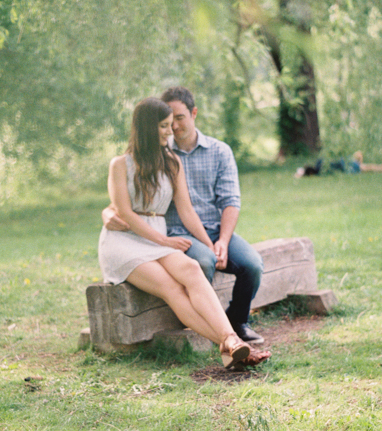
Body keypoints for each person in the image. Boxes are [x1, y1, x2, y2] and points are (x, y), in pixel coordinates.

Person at [98, 97, 269, 369]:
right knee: (172, 288)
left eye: (171, 124)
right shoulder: (120, 164)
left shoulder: (171, 162)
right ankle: (231, 342)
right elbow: (126, 214)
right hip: (126, 243)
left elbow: (187, 212)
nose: (170, 131)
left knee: (190, 269)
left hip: (156, 237)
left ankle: (231, 343)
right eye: (164, 126)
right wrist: (164, 241)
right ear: (146, 128)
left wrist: (211, 245)